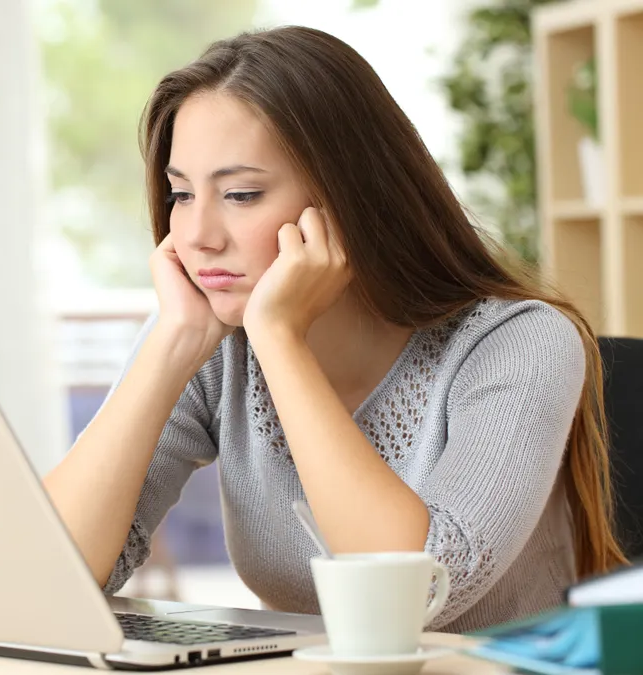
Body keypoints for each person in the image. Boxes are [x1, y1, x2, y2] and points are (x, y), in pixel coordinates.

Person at [41, 25, 628, 634]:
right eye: (181, 194)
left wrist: (280, 339)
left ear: (348, 196)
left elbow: (413, 596)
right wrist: (171, 346)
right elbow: (47, 577)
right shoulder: (212, 343)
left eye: (241, 194)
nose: (196, 236)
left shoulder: (521, 344)